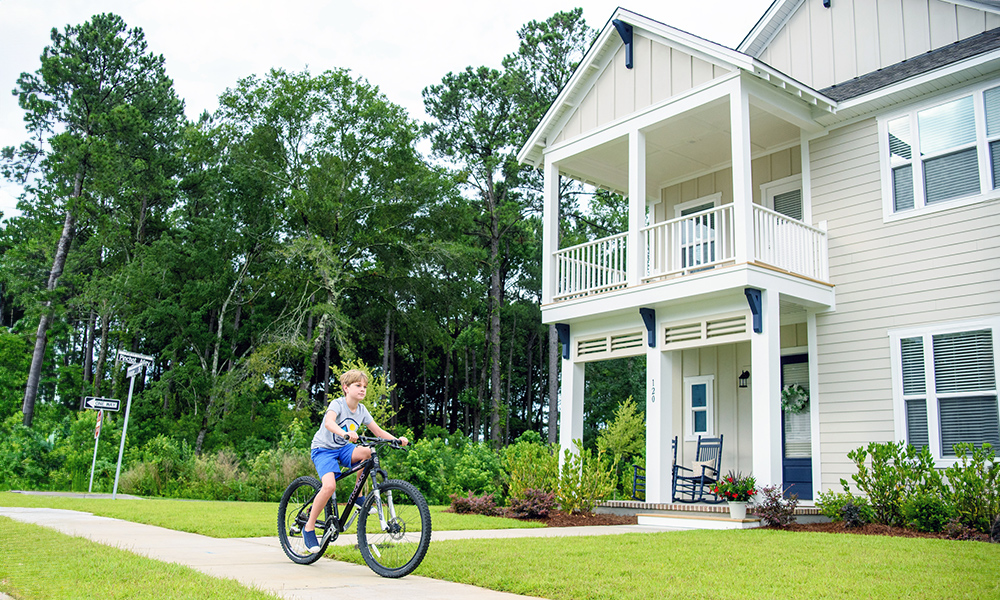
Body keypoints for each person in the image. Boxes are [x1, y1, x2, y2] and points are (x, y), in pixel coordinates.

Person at [302, 369, 408, 553]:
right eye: (358, 385)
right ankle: (308, 528)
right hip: (323, 450)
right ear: (346, 388)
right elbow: (329, 423)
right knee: (329, 487)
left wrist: (395, 439)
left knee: (368, 453)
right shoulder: (338, 404)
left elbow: (378, 432)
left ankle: (358, 496)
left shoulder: (362, 410)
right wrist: (344, 433)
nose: (362, 389)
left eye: (365, 387)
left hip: (343, 449)